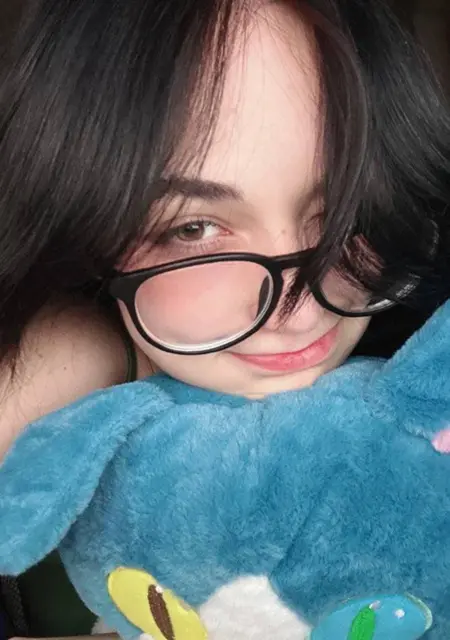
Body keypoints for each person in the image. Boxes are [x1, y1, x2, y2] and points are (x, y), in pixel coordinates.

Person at [0, 0, 449, 636]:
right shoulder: (70, 361)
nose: (300, 311)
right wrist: (86, 345)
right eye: (193, 228)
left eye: (349, 210)